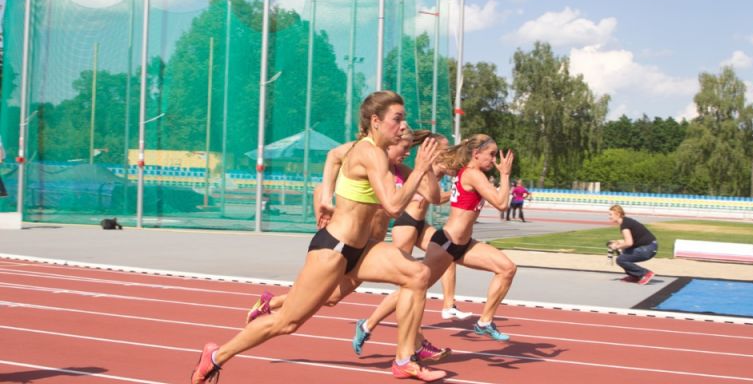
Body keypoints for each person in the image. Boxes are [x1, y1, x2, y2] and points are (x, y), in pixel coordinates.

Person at [190, 91, 447, 383]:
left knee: (417, 274)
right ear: (376, 121)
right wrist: (421, 170)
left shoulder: (386, 158)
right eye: (397, 119)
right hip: (333, 250)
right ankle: (215, 356)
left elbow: (424, 196)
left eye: (404, 119)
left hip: (362, 249)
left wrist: (427, 169)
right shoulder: (368, 152)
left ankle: (404, 360)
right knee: (287, 322)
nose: (403, 126)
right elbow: (393, 205)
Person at [352, 133, 518, 354]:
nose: (494, 159)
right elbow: (501, 203)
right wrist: (505, 175)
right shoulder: (473, 174)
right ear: (476, 155)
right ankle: (367, 324)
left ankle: (484, 322)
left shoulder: (468, 173)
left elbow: (442, 190)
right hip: (447, 244)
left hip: (464, 244)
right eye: (491, 154)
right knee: (412, 285)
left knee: (507, 268)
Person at [607, 204, 657, 285]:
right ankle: (635, 276)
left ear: (618, 214)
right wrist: (619, 242)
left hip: (648, 249)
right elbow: (631, 240)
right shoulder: (626, 221)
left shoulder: (625, 225)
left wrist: (616, 246)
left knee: (621, 259)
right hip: (650, 247)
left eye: (610, 214)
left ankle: (645, 273)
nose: (609, 217)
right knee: (623, 253)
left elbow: (629, 243)